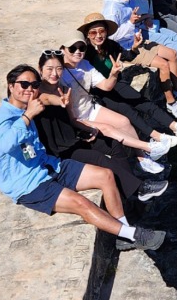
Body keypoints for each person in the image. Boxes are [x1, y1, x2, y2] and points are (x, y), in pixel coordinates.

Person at [0, 64, 165, 251]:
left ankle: (123, 233)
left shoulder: (25, 107)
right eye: (24, 84)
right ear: (10, 86)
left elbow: (47, 99)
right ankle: (132, 235)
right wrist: (28, 116)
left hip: (49, 166)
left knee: (105, 175)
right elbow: (6, 144)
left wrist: (58, 103)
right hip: (27, 183)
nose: (29, 89)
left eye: (34, 84)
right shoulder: (3, 117)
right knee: (81, 203)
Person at [35, 51, 167, 202]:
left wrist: (89, 129)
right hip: (59, 148)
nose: (54, 73)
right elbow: (46, 99)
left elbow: (72, 119)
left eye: (59, 69)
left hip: (74, 137)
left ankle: (126, 188)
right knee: (99, 158)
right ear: (40, 69)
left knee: (114, 145)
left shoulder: (65, 90)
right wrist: (59, 101)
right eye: (49, 69)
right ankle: (139, 188)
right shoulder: (36, 93)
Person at [58, 36, 176, 165]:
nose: (77, 51)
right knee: (108, 128)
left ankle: (141, 158)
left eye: (82, 48)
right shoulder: (59, 72)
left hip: (90, 108)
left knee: (124, 121)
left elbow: (106, 86)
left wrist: (113, 74)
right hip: (76, 117)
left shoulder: (85, 64)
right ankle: (149, 147)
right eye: (72, 48)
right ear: (63, 50)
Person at [77, 13, 177, 140]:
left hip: (117, 83)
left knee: (143, 102)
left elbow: (126, 56)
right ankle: (159, 137)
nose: (98, 35)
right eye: (93, 33)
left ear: (106, 32)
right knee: (128, 111)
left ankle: (175, 126)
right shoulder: (84, 52)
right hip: (100, 91)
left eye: (102, 31)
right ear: (87, 34)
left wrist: (135, 48)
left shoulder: (110, 45)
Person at [103, 0, 177, 118]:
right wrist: (131, 23)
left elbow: (133, 20)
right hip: (126, 48)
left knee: (173, 54)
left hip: (138, 40)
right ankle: (171, 103)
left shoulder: (128, 0)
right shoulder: (113, 8)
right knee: (163, 65)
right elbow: (112, 36)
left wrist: (142, 19)